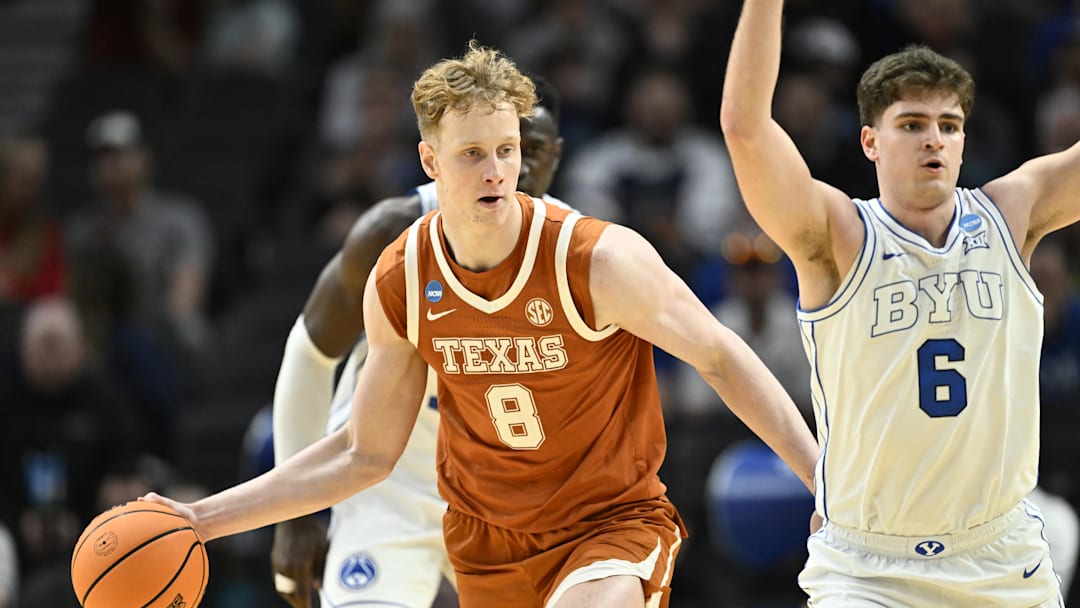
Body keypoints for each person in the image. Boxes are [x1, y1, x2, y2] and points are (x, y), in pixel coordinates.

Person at [142, 40, 818, 608]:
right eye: (472, 154)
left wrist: (824, 480)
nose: (496, 171)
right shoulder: (402, 275)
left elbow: (722, 358)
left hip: (605, 526)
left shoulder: (598, 259)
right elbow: (364, 452)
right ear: (430, 161)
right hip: (487, 541)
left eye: (506, 149)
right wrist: (199, 520)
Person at [720, 1, 1080, 606]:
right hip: (869, 567)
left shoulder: (1012, 214)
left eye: (948, 124)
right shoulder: (836, 235)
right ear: (870, 142)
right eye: (911, 124)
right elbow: (745, 130)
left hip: (999, 554)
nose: (932, 139)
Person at [269, 75, 568, 608]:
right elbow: (309, 354)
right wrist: (295, 512)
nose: (503, 171)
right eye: (480, 150)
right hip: (387, 487)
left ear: (552, 157)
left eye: (522, 150)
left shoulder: (576, 248)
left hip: (505, 502)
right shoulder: (393, 230)